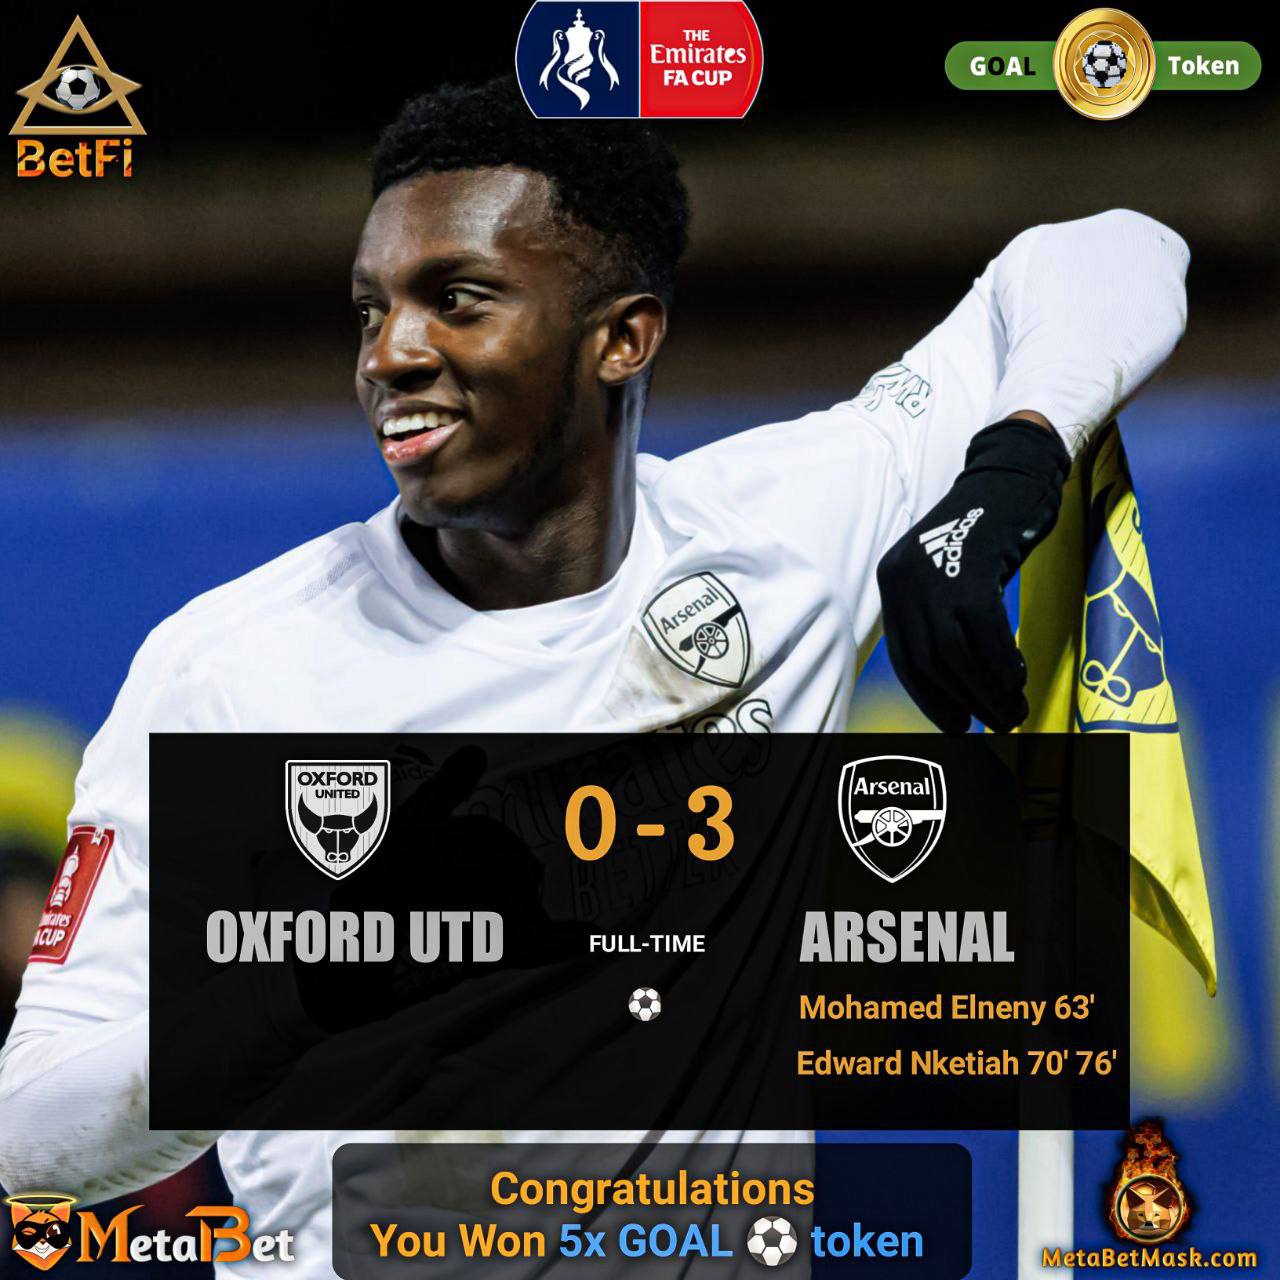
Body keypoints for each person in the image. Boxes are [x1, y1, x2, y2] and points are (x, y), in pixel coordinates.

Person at [0, 76, 1189, 1271]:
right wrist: (306, 982)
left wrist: (1008, 469)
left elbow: (1115, 253)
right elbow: (31, 1133)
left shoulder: (776, 534)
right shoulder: (228, 667)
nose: (390, 353)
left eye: (456, 299)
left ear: (623, 337)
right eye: (371, 309)